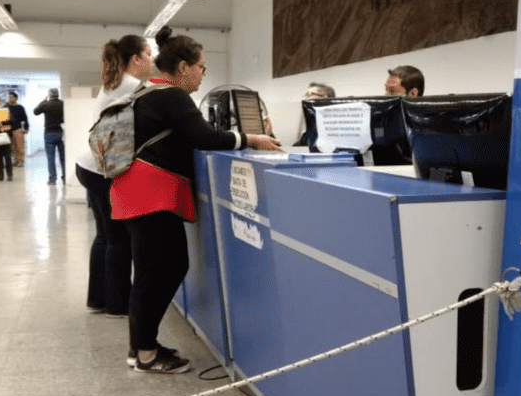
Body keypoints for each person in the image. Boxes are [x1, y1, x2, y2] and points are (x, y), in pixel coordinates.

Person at [111, 25, 281, 374]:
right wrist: (250, 139)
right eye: (201, 67)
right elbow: (205, 137)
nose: (203, 74)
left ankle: (141, 347)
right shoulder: (171, 96)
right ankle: (145, 353)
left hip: (137, 192)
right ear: (183, 67)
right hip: (151, 195)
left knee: (155, 271)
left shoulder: (147, 91)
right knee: (159, 272)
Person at [76, 35, 154, 321]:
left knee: (105, 236)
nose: (152, 60)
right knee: (119, 239)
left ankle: (98, 299)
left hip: (88, 165)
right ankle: (117, 304)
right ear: (136, 59)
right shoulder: (132, 85)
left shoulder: (115, 81)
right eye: (148, 54)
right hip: (102, 170)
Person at [34, 88, 66, 185]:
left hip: (49, 133)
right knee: (63, 157)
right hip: (61, 132)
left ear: (49, 95)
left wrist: (43, 101)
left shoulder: (46, 104)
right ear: (57, 94)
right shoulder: (62, 104)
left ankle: (52, 179)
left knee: (51, 157)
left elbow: (35, 112)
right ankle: (65, 177)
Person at [296, 81, 336, 146]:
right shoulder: (308, 132)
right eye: (305, 95)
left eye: (309, 95)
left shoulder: (336, 130)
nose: (305, 99)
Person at [6, 91, 29, 166]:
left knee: (20, 146)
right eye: (9, 97)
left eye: (11, 97)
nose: (9, 98)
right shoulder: (6, 107)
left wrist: (26, 128)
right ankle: (15, 160)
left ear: (15, 98)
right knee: (13, 147)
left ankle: (21, 161)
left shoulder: (20, 107)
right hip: (9, 130)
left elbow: (25, 118)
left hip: (18, 129)